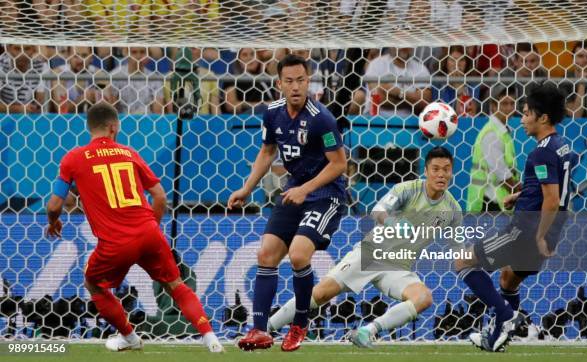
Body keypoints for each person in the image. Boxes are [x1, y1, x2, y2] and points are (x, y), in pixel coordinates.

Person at [46, 103, 223, 352]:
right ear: (113, 127)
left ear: (90, 128)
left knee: (93, 284)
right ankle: (211, 338)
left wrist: (53, 222)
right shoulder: (129, 153)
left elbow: (54, 205)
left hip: (116, 242)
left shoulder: (73, 158)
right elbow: (160, 196)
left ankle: (129, 337)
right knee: (176, 286)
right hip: (149, 232)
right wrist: (151, 227)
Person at [268, 147, 462, 348]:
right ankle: (266, 328)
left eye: (446, 169)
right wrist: (394, 224)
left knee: (423, 298)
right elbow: (378, 211)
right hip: (371, 254)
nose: (441, 174)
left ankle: (366, 332)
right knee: (321, 294)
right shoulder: (408, 189)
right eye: (436, 169)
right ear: (426, 171)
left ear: (452, 172)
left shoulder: (453, 210)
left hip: (399, 268)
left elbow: (459, 249)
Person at [228, 54, 347, 352]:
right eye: (290, 81)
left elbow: (339, 164)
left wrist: (306, 189)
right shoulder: (272, 113)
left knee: (297, 255)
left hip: (325, 194)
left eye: (301, 80)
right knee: (266, 253)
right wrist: (246, 188)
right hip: (295, 190)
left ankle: (299, 324)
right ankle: (258, 330)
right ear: (279, 83)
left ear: (309, 81)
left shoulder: (322, 118)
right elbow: (267, 152)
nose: (296, 87)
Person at [455, 82, 573, 352]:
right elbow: (556, 189)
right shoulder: (561, 147)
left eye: (527, 113)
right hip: (550, 231)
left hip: (527, 230)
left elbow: (552, 199)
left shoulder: (541, 152)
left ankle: (507, 317)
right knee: (508, 279)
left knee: (463, 262)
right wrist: (520, 196)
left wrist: (540, 235)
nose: (522, 119)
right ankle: (506, 334)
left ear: (543, 117)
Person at [467, 86, 520, 212]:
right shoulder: (491, 134)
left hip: (499, 200)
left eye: (512, 103)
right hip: (490, 202)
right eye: (504, 104)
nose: (509, 108)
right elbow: (500, 171)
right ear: (493, 106)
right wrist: (520, 192)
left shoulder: (501, 131)